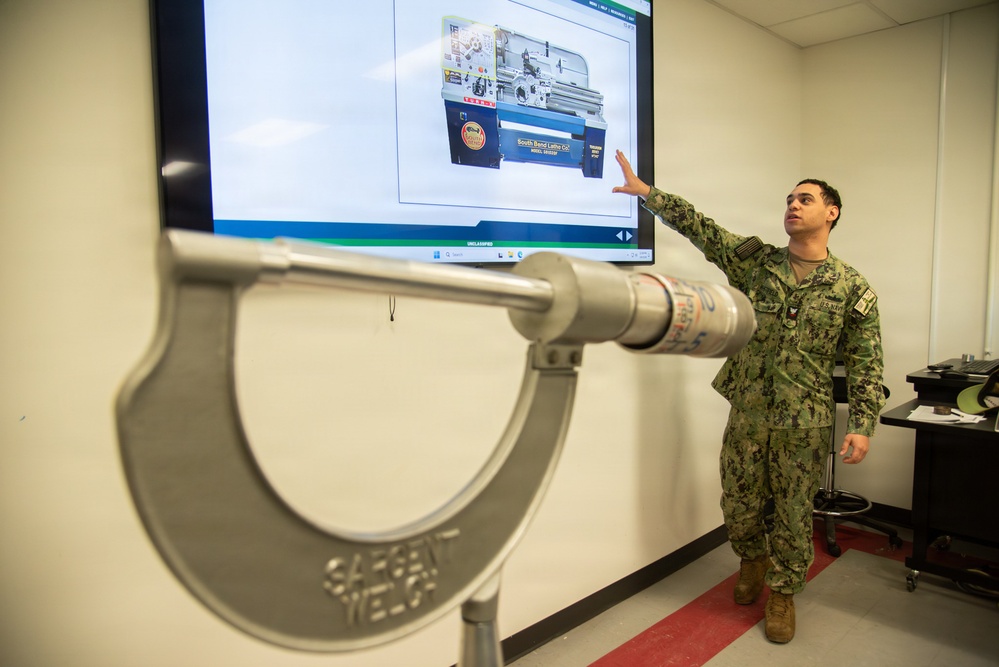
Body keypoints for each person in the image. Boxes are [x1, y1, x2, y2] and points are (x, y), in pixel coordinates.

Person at [612, 150, 885, 644]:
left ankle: (783, 593)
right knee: (738, 502)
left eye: (805, 199)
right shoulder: (757, 263)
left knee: (794, 512)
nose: (793, 205)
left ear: (832, 212)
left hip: (806, 421)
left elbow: (867, 361)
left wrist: (863, 425)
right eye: (789, 199)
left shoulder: (851, 288)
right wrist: (649, 195)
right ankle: (752, 561)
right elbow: (703, 230)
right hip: (750, 413)